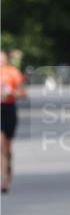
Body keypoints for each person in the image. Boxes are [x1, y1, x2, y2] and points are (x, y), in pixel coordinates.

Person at [1, 50, 27, 194]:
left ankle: (8, 172)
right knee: (0, 146)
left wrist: (11, 93)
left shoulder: (13, 72)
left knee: (7, 149)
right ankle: (3, 179)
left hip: (9, 110)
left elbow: (23, 93)